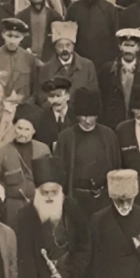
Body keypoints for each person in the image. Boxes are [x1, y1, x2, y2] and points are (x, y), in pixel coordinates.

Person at [54, 88, 123, 218]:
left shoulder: (109, 136)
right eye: (83, 115)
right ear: (76, 114)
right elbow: (59, 172)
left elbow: (117, 168)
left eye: (92, 115)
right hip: (76, 202)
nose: (87, 120)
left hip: (104, 201)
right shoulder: (66, 137)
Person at [36, 21, 99, 105]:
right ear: (55, 47)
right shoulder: (45, 70)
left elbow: (93, 95)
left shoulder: (87, 66)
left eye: (68, 45)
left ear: (73, 46)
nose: (64, 49)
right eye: (60, 46)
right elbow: (42, 99)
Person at [0, 17, 39, 103]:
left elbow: (35, 87)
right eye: (9, 35)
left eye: (17, 36)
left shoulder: (29, 58)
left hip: (24, 108)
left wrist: (28, 105)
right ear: (3, 35)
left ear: (22, 38)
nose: (12, 40)